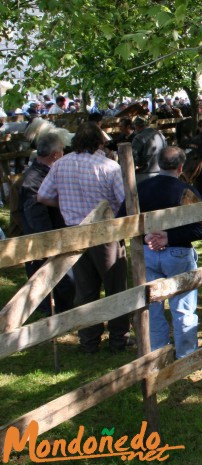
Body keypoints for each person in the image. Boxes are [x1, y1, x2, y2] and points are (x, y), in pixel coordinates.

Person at [37, 122, 132, 354]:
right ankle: (119, 339)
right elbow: (124, 202)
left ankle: (89, 340)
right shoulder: (109, 167)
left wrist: (67, 205)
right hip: (105, 233)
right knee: (115, 286)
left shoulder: (60, 165)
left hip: (74, 234)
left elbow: (43, 196)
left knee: (86, 289)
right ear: (99, 142)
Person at [117, 147, 202, 359]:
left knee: (153, 307)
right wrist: (169, 237)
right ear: (180, 167)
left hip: (147, 253)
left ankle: (158, 353)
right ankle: (186, 354)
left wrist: (146, 236)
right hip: (178, 253)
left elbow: (121, 220)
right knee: (184, 307)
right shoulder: (186, 191)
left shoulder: (139, 188)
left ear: (159, 164)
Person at [19, 132, 75, 316]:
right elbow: (36, 218)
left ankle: (62, 309)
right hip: (45, 239)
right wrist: (51, 242)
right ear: (55, 155)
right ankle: (54, 311)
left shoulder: (45, 172)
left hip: (57, 233)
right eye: (62, 151)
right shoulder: (33, 181)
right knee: (50, 277)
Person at [131, 116, 167, 182]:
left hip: (144, 175)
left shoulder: (139, 138)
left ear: (136, 126)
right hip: (161, 173)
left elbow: (133, 158)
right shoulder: (161, 136)